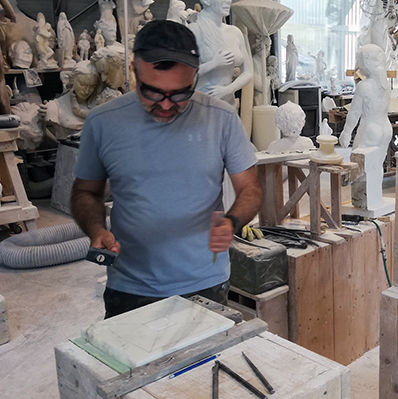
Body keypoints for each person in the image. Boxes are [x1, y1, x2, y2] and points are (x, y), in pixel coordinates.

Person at [71, 20, 262, 319]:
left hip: (204, 280)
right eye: (153, 92)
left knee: (201, 366)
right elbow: (85, 192)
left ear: (196, 76)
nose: (165, 105)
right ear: (134, 71)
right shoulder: (102, 123)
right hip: (130, 284)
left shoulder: (221, 119)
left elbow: (250, 189)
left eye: (180, 93)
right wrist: (96, 230)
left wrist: (232, 222)